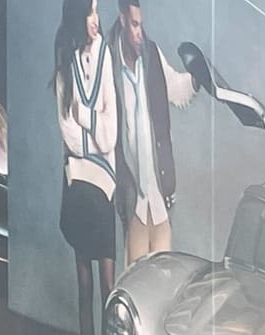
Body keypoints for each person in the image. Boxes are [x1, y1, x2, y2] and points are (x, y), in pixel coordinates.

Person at [54, 0, 119, 335]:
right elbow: (66, 132)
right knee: (85, 288)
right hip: (78, 186)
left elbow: (110, 136)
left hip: (103, 188)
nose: (98, 20)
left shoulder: (105, 55)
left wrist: (86, 116)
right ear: (79, 16)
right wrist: (88, 127)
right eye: (92, 11)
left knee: (110, 290)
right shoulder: (64, 59)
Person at [112, 0, 193, 262]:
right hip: (132, 199)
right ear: (123, 20)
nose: (139, 33)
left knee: (162, 287)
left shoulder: (152, 55)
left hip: (160, 197)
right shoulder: (108, 63)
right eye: (134, 24)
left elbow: (178, 89)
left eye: (141, 25)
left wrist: (197, 77)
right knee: (134, 288)